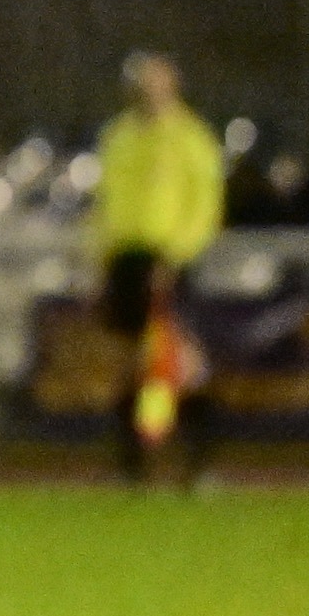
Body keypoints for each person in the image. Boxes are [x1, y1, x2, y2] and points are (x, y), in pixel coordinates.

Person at [88, 52, 227, 483]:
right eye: (144, 83)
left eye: (158, 82)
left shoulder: (192, 138)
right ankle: (134, 466)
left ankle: (199, 461)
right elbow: (105, 205)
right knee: (131, 362)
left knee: (181, 362)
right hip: (125, 259)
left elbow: (205, 207)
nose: (150, 90)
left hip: (170, 259)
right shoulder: (118, 136)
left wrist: (176, 256)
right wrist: (101, 258)